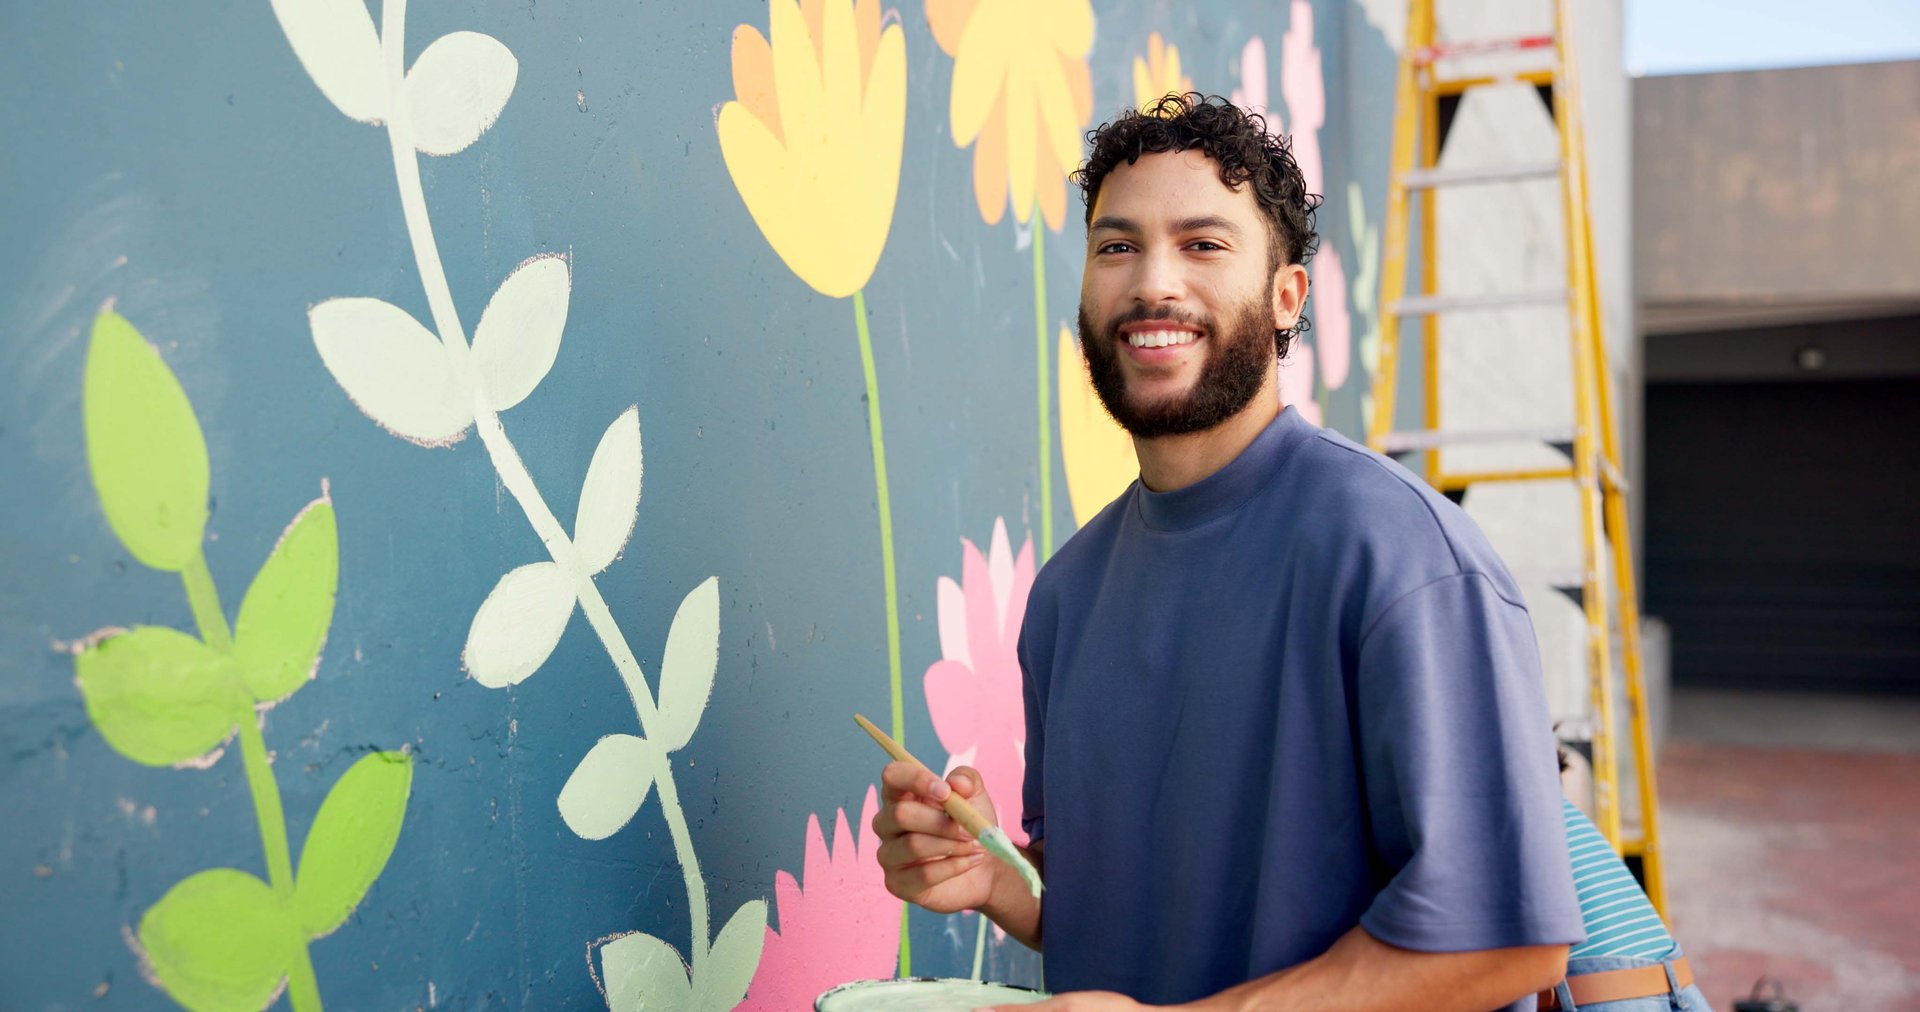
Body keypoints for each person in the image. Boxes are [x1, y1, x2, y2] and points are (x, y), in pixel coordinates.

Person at [873, 93, 1584, 1010]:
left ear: (1286, 295)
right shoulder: (1065, 596)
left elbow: (1508, 942)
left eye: (1203, 245)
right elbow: (1132, 903)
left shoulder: (1400, 554)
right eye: (1116, 246)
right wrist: (998, 878)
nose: (1152, 285)